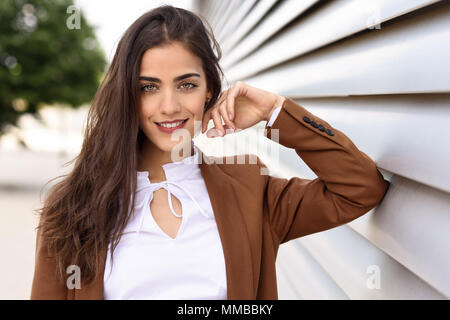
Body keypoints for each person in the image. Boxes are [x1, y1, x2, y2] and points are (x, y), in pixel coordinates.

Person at [30, 5, 390, 300]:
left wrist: (277, 112)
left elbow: (360, 188)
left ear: (209, 91)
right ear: (127, 95)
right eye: (148, 87)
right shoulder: (73, 205)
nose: (169, 106)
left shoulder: (249, 188)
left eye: (186, 84)